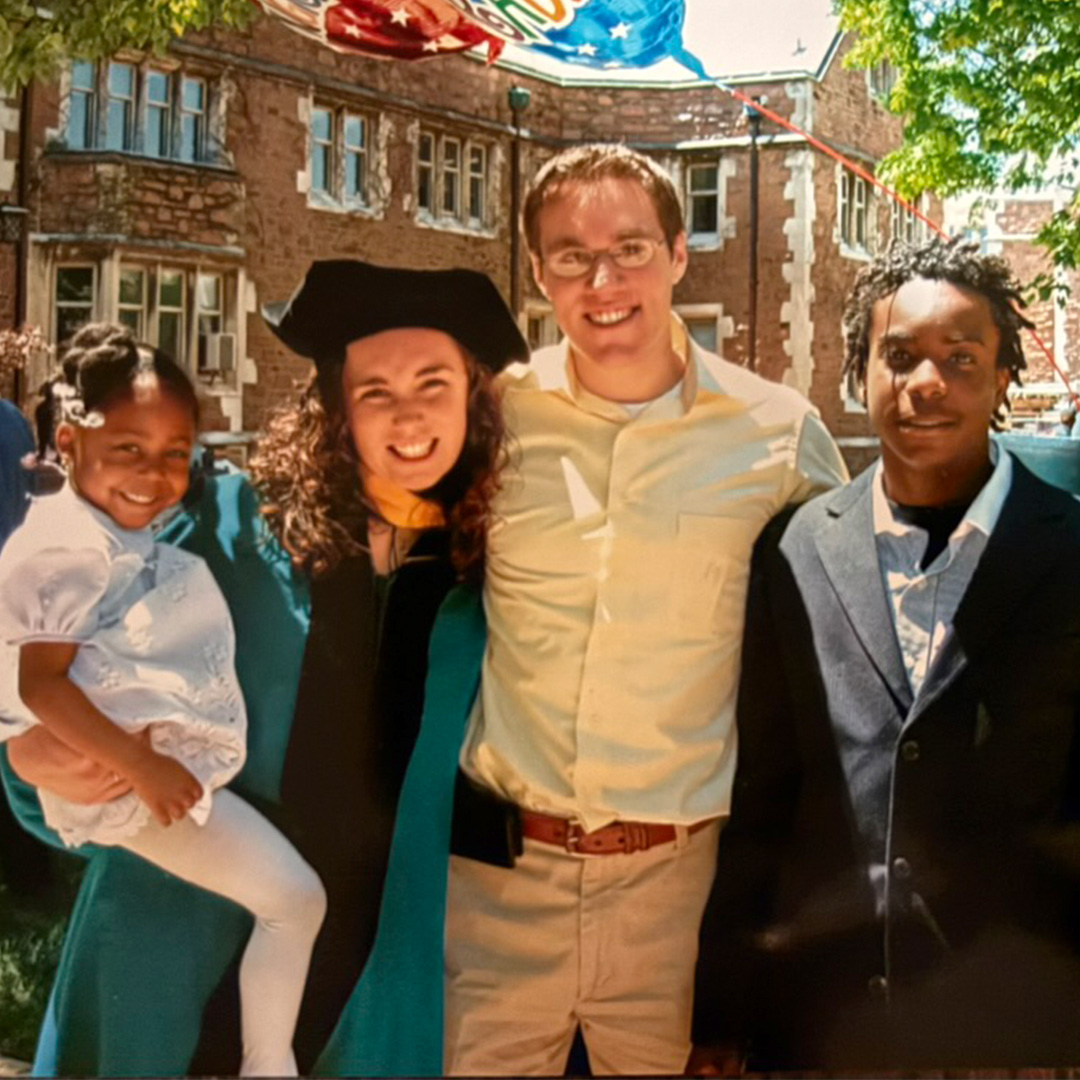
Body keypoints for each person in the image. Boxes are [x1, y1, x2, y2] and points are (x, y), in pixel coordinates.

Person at [1, 261, 526, 1077]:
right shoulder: (226, 527)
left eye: (434, 383)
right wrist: (30, 766)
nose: (408, 414)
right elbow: (52, 665)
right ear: (337, 408)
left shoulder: (498, 574)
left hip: (366, 983)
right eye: (375, 390)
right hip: (167, 947)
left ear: (474, 400)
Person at [427, 143, 848, 1077]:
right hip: (497, 883)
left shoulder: (779, 434)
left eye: (629, 247)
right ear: (538, 273)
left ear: (677, 254)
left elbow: (846, 638)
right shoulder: (492, 415)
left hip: (681, 893)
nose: (602, 278)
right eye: (570, 254)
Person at [694, 237, 1080, 1070]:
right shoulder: (795, 548)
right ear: (858, 372)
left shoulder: (1072, 548)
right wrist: (722, 1013)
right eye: (898, 356)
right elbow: (764, 792)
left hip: (1023, 1025)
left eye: (961, 356)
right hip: (829, 1028)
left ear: (1005, 373)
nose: (927, 383)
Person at [0, 323, 327, 1077]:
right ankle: (268, 1063)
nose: (153, 476)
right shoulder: (64, 548)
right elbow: (35, 683)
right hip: (134, 790)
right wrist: (139, 766)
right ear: (69, 443)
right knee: (292, 899)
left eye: (175, 455)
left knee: (292, 901)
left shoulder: (108, 531)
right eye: (128, 450)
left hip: (146, 779)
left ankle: (267, 1059)